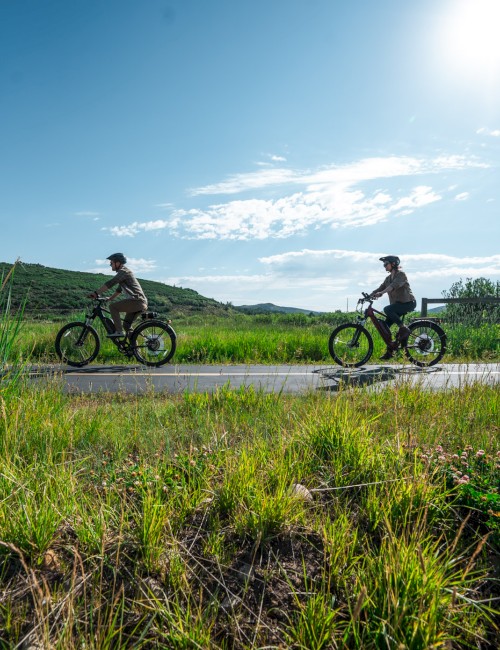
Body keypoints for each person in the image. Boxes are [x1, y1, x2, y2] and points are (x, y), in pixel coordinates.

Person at [88, 253, 148, 337]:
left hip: (137, 301)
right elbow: (119, 290)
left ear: (118, 263)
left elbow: (111, 283)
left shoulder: (124, 271)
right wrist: (110, 298)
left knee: (113, 307)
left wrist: (96, 293)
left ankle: (119, 332)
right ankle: (134, 349)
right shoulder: (125, 274)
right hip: (140, 302)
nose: (110, 265)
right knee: (127, 326)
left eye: (111, 263)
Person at [370, 255, 416, 360]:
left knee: (387, 309)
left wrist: (381, 293)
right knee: (385, 326)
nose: (384, 266)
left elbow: (392, 287)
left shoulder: (401, 275)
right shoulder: (388, 278)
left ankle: (403, 328)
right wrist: (370, 295)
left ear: (393, 264)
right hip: (398, 305)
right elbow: (381, 287)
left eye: (386, 264)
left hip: (408, 303)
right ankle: (390, 351)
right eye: (384, 264)